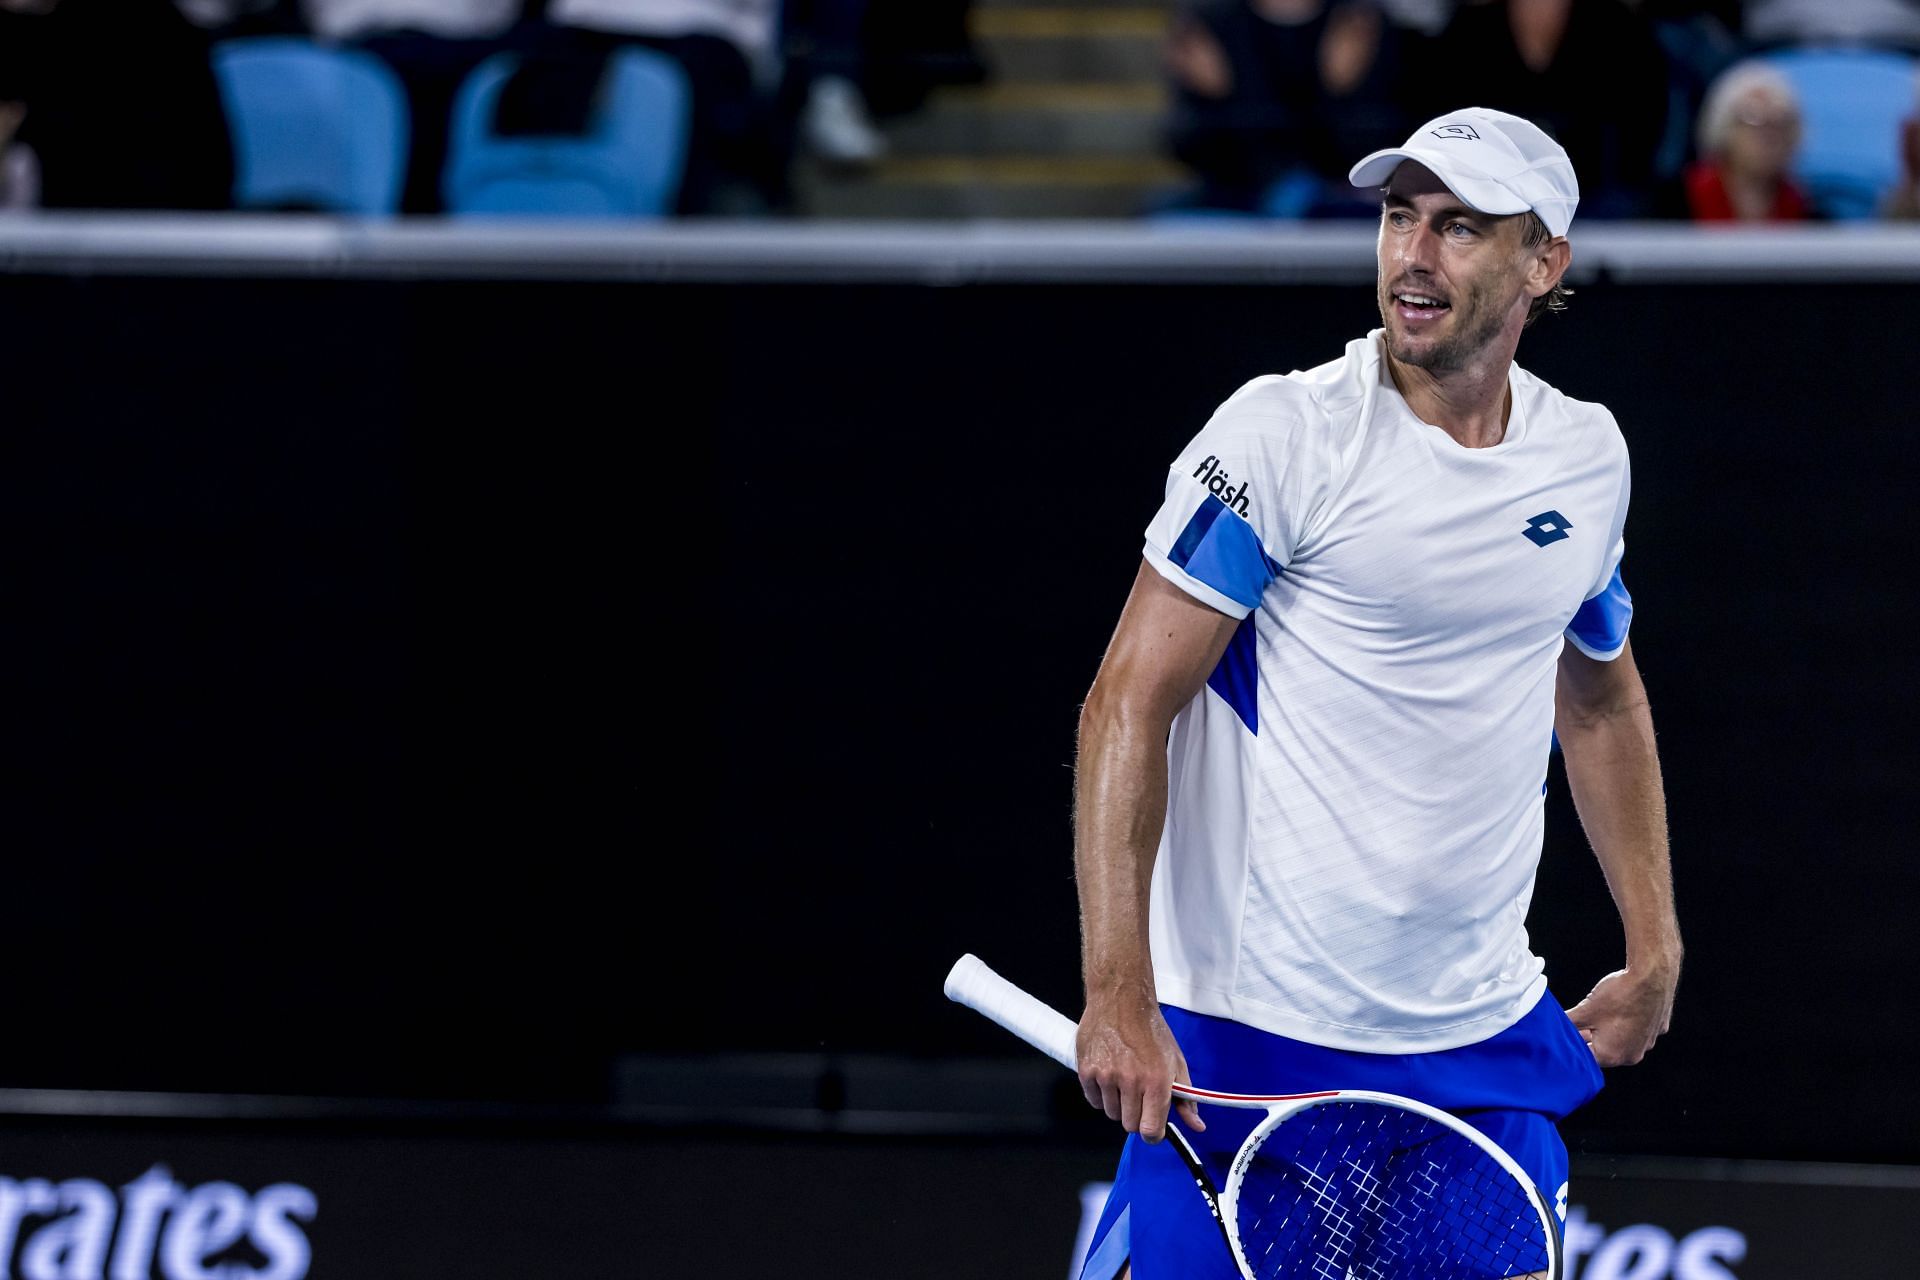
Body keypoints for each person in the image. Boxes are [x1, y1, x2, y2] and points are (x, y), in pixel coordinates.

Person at [1071, 107, 1681, 1280]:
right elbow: (1124, 705)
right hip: (1246, 1040)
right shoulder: (1282, 437)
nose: (1413, 253)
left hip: (1479, 1044)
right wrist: (1118, 988)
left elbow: (1601, 698)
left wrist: (1653, 946)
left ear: (1542, 260)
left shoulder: (1588, 458)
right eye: (1401, 216)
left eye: (1459, 227)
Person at [1684, 61, 1814, 222]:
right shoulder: (1674, 203)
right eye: (1753, 119)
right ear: (1724, 127)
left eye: (1778, 123)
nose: (1768, 136)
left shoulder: (1810, 215)